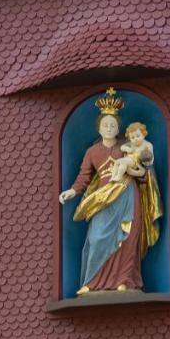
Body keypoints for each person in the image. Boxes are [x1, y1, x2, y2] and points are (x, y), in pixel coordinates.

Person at [59, 90, 162, 295]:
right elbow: (84, 177)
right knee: (97, 238)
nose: (109, 128)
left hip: (127, 195)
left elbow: (144, 170)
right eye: (105, 125)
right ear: (98, 127)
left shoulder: (127, 146)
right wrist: (72, 191)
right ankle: (92, 282)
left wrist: (139, 171)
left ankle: (125, 280)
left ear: (118, 128)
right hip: (103, 198)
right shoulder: (92, 151)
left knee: (127, 238)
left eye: (113, 125)